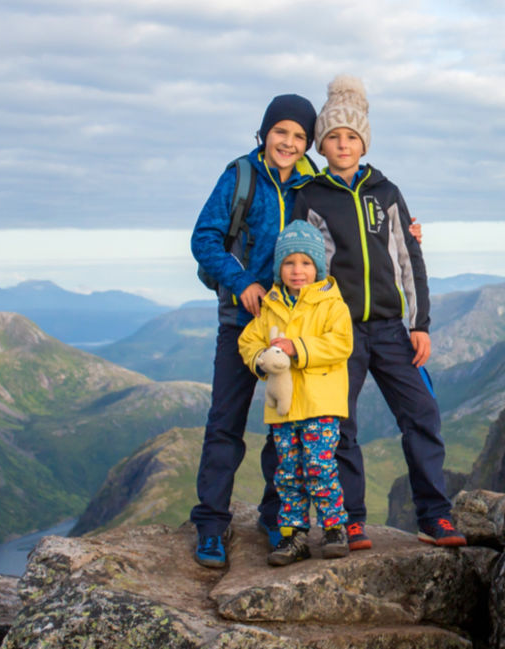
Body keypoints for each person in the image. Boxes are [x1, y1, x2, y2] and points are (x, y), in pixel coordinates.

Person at [292, 75, 466, 548]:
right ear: (322, 145)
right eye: (333, 137)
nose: (343, 144)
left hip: (391, 329)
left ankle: (434, 516)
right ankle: (350, 519)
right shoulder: (310, 197)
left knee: (421, 414)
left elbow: (410, 259)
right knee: (340, 423)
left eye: (351, 137)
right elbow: (303, 268)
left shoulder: (385, 192)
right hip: (339, 332)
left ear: (363, 142)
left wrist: (420, 325)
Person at [188, 94, 320, 568]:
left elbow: (347, 232)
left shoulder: (313, 183)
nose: (288, 142)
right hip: (241, 322)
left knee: (284, 425)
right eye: (281, 132)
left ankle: (275, 514)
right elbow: (203, 238)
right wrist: (242, 281)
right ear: (265, 132)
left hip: (289, 326)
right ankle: (210, 523)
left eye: (299, 136)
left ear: (308, 143)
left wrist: (406, 233)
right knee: (225, 424)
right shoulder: (240, 176)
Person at [238, 222, 353, 566]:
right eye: (289, 263)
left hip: (320, 405)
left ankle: (335, 529)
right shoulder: (271, 306)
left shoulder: (332, 304)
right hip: (283, 409)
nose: (297, 270)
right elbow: (248, 341)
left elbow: (341, 343)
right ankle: (294, 536)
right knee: (287, 472)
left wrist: (296, 348)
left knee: (319, 467)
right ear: (279, 268)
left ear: (318, 267)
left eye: (305, 263)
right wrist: (262, 359)